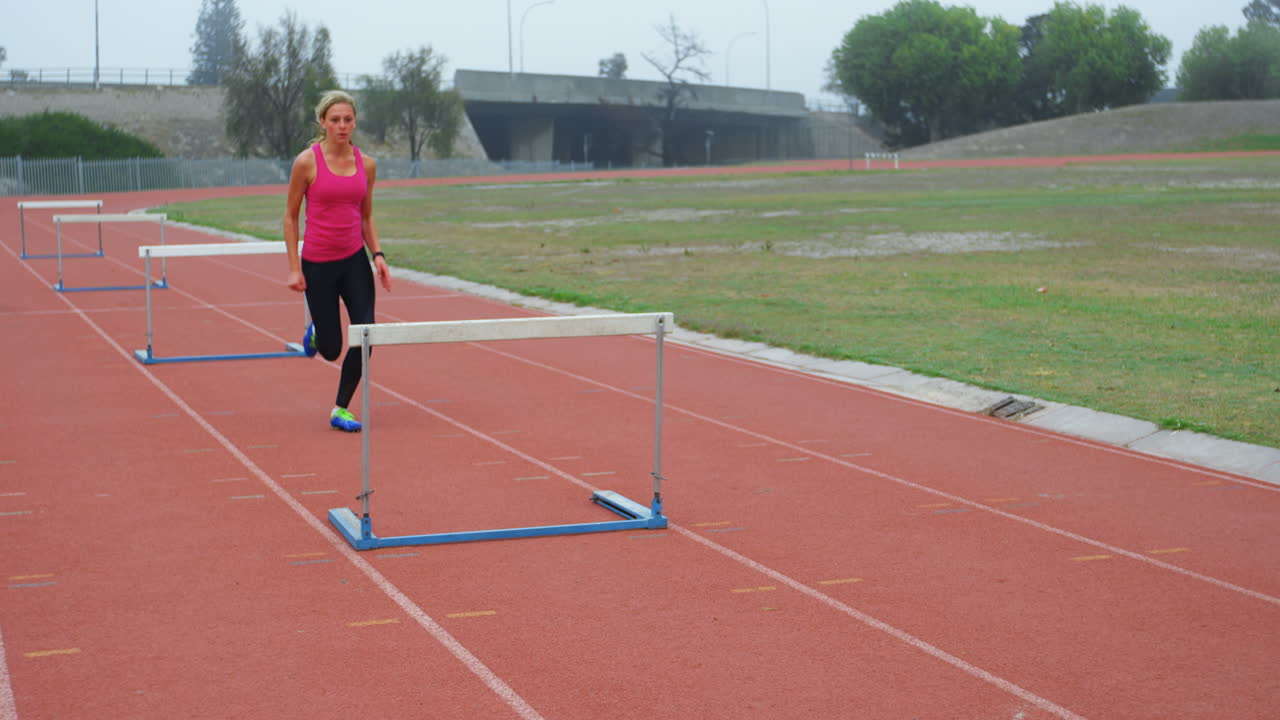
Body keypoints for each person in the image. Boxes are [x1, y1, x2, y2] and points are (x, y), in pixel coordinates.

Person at [284, 89, 392, 432]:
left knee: (365, 333)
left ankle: (340, 408)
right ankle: (317, 332)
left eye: (347, 119)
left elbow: (365, 217)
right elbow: (289, 217)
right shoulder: (306, 162)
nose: (342, 126)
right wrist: (293, 268)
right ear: (323, 122)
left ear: (354, 122)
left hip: (354, 263)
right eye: (335, 120)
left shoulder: (367, 165)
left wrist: (378, 255)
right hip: (317, 264)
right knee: (331, 349)